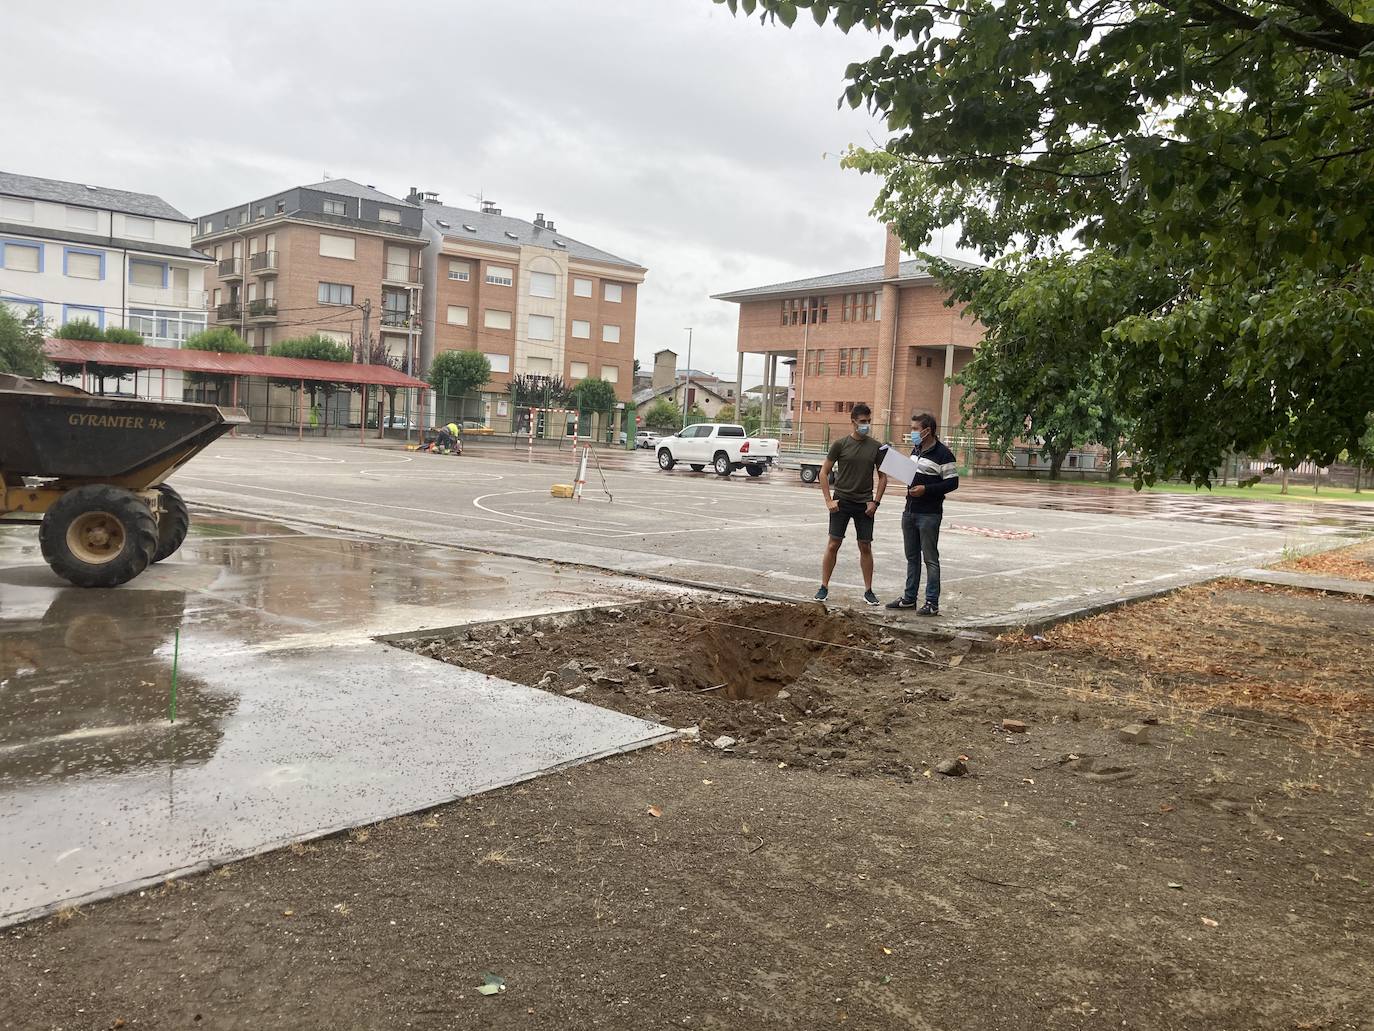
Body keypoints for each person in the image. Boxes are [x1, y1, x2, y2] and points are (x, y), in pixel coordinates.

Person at [816, 403, 888, 606]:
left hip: (864, 505)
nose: (866, 425)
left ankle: (868, 590)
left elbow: (883, 478)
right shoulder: (840, 445)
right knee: (833, 544)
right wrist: (829, 500)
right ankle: (823, 586)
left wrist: (876, 502)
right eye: (862, 421)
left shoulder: (877, 447)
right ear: (853, 421)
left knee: (865, 546)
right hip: (842, 502)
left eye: (868, 421)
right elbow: (824, 472)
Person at [887, 412, 959, 615]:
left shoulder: (944, 454)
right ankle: (909, 599)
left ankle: (932, 603)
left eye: (915, 429)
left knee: (930, 559)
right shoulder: (916, 449)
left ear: (927, 431)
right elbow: (914, 474)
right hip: (909, 511)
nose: (912, 433)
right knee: (912, 558)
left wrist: (926, 490)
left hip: (929, 514)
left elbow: (953, 482)